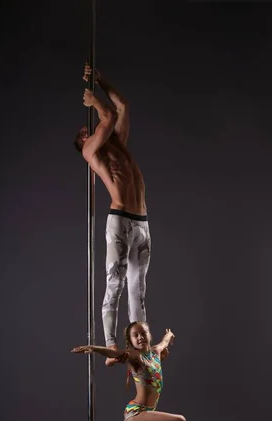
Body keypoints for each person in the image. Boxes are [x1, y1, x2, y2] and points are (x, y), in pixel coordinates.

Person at [74, 64, 151, 366]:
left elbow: (121, 107)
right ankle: (110, 346)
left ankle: (141, 351)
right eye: (84, 132)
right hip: (119, 220)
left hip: (142, 222)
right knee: (115, 282)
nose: (88, 129)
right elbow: (106, 117)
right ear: (83, 142)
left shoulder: (118, 144)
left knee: (138, 288)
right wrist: (94, 101)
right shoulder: (91, 151)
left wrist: (101, 80)